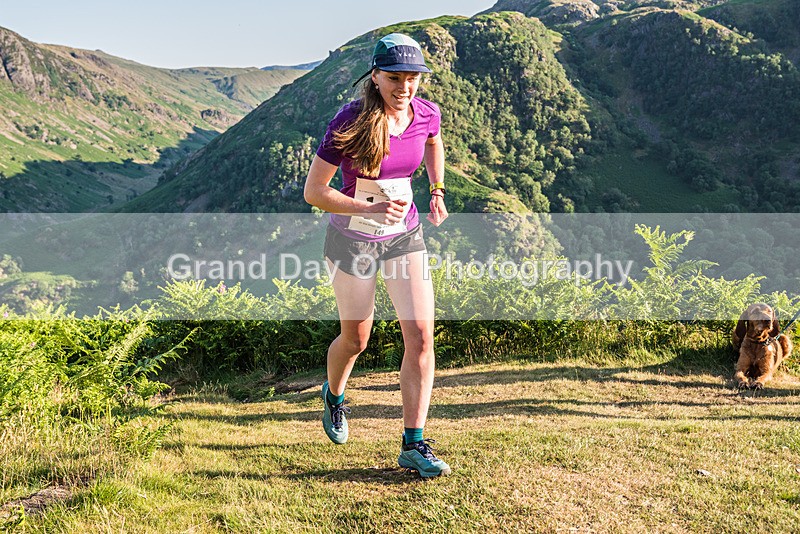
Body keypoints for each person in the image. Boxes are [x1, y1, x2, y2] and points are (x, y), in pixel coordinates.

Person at [303, 33, 450, 478]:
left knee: (421, 337)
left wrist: (437, 190)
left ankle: (414, 443)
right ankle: (334, 395)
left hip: (404, 236)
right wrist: (367, 209)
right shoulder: (350, 120)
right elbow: (315, 192)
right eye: (394, 78)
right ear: (375, 76)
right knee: (356, 339)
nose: (404, 87)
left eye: (412, 79)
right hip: (353, 240)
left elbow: (433, 143)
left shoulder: (426, 114)